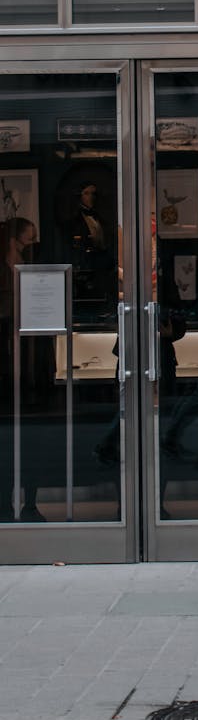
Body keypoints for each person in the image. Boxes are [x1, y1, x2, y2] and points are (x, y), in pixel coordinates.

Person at [0, 217, 47, 521]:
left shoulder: (28, 262)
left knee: (33, 439)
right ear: (14, 239)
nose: (31, 246)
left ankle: (30, 504)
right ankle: (6, 504)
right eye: (27, 240)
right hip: (7, 346)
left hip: (27, 346)